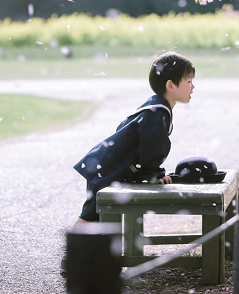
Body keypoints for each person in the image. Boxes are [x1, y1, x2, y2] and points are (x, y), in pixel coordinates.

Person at [72, 51, 195, 229]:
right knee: (91, 217)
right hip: (107, 173)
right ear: (171, 85)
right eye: (189, 82)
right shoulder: (157, 112)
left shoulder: (154, 106)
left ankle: (91, 253)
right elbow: (151, 147)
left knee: (99, 218)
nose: (193, 87)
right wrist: (153, 174)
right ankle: (74, 254)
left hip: (107, 169)